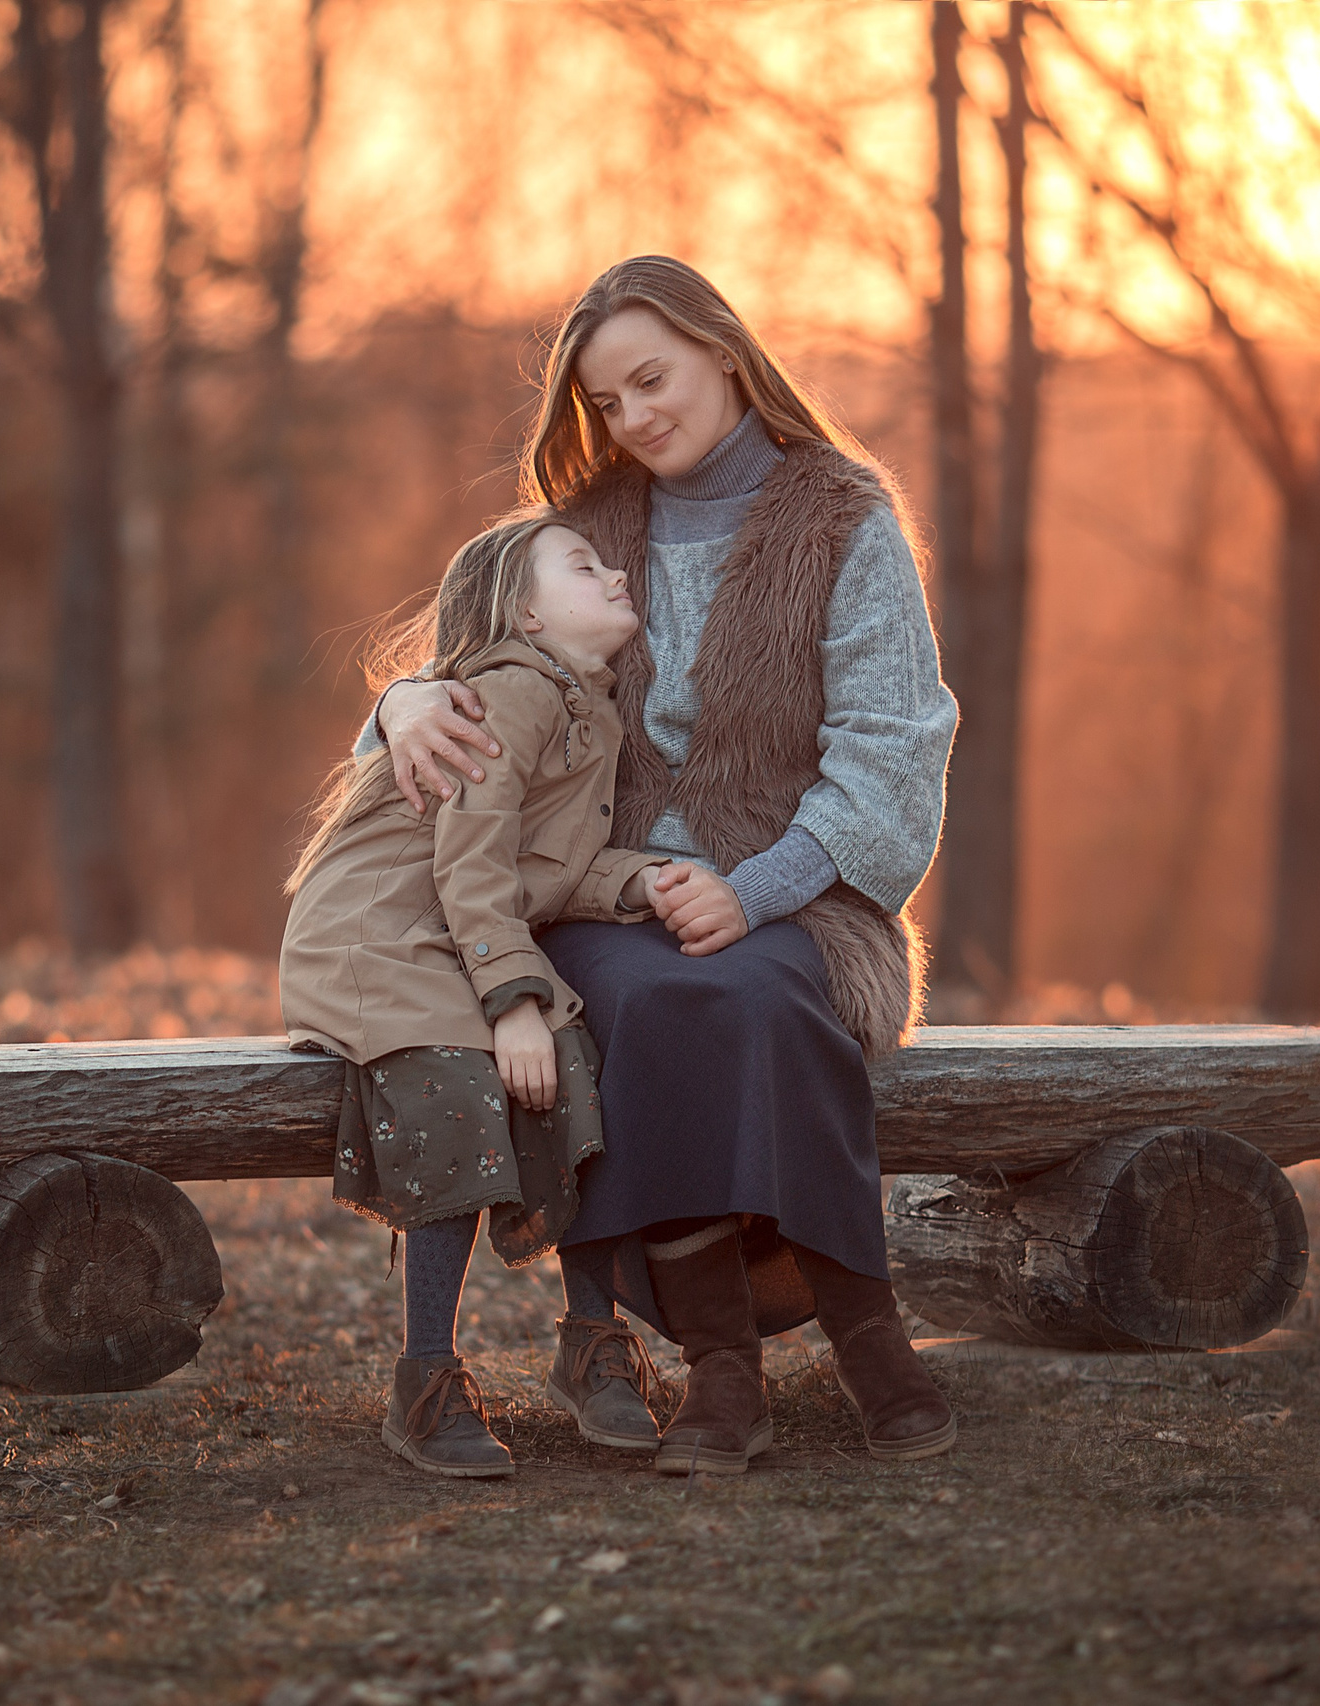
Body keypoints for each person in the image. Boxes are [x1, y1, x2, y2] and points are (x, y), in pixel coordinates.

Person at [369, 256, 962, 1474]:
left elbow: (892, 751)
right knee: (647, 999)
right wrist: (397, 705)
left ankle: (867, 1330)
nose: (634, 416)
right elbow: (458, 671)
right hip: (596, 895)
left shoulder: (843, 518)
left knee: (761, 992)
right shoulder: (579, 531)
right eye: (607, 401)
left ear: (723, 351)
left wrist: (753, 891)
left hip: (802, 892)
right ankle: (722, 1363)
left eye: (653, 379)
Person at [283, 510, 671, 1478]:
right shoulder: (514, 691)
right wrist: (513, 1003)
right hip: (377, 935)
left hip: (459, 927)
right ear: (526, 617)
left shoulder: (588, 707)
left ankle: (592, 1342)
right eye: (582, 566)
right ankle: (424, 1376)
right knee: (455, 1088)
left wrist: (642, 882)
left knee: (577, 1073)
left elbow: (545, 866)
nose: (616, 575)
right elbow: (472, 857)